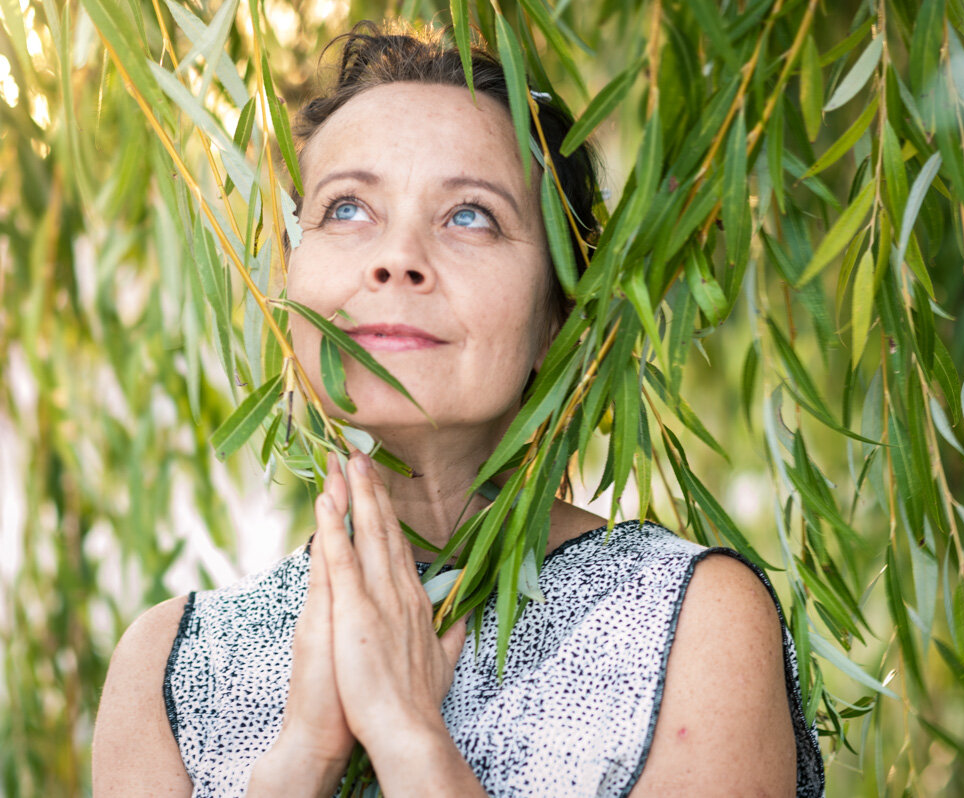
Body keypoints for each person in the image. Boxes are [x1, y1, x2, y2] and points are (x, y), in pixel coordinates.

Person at [92, 22, 825, 798]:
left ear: (558, 314)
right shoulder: (169, 667)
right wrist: (302, 759)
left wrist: (411, 739)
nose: (394, 256)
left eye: (470, 215)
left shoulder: (693, 624)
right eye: (346, 209)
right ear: (290, 284)